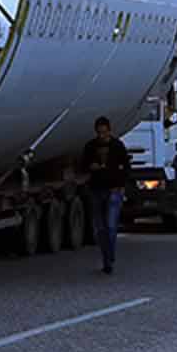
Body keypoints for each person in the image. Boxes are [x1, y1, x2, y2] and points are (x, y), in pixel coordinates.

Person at [78, 116, 128, 274]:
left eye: (104, 132)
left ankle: (110, 256)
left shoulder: (117, 146)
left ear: (109, 131)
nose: (102, 136)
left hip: (114, 190)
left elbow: (126, 167)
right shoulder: (90, 147)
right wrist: (90, 167)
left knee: (111, 226)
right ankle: (107, 258)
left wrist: (121, 186)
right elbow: (83, 166)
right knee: (100, 228)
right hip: (96, 190)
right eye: (99, 133)